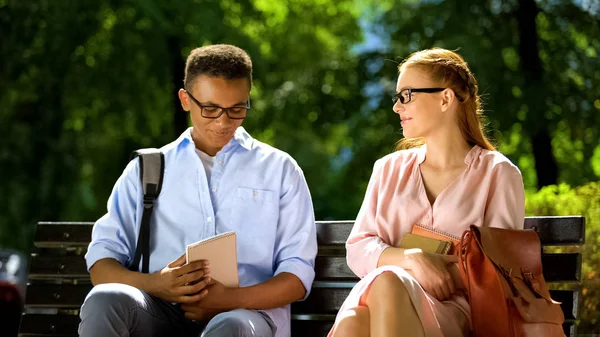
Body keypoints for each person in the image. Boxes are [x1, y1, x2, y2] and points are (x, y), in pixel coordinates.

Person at [79, 44, 318, 337]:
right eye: (210, 109)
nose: (223, 122)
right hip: (159, 310)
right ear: (185, 99)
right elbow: (102, 266)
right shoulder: (147, 170)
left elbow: (297, 276)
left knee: (231, 326)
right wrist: (157, 285)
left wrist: (228, 300)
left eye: (237, 109)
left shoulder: (280, 170)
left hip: (245, 317)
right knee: (106, 300)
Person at [328, 48, 525, 337]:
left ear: (445, 98)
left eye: (406, 95)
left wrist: (441, 271)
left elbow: (500, 270)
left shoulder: (498, 174)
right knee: (361, 314)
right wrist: (413, 259)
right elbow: (358, 248)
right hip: (384, 297)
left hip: (461, 313)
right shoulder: (388, 169)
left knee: (382, 291)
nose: (397, 107)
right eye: (397, 97)